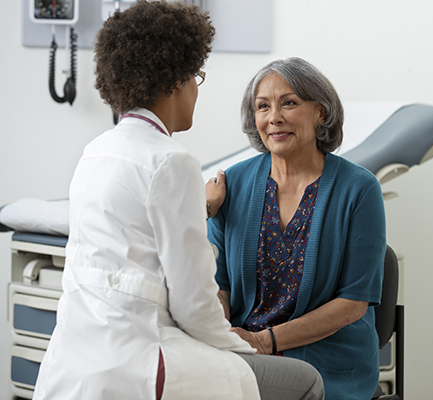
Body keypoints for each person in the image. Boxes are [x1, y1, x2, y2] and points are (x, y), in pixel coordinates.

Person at [33, 3, 323, 400]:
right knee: (305, 382)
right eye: (196, 77)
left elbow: (141, 242)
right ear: (174, 80)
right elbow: (194, 307)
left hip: (76, 359)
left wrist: (202, 208)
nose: (195, 90)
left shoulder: (96, 151)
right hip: (140, 361)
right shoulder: (172, 160)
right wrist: (244, 349)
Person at [208, 57, 387, 400]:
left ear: (321, 112)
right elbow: (218, 285)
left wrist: (266, 341)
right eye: (263, 106)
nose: (274, 117)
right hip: (245, 356)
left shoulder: (360, 189)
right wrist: (223, 336)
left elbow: (353, 303)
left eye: (288, 103)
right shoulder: (234, 185)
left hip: (326, 360)